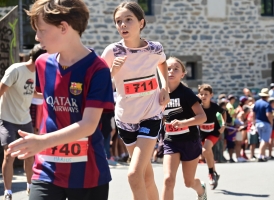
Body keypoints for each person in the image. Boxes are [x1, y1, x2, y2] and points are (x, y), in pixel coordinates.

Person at [7, 1, 114, 200]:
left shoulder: (98, 69)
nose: (37, 37)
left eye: (41, 30)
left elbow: (89, 125)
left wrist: (41, 141)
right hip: (46, 168)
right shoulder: (42, 62)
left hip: (87, 173)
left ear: (63, 27)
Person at [101, 2, 170, 200]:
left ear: (141, 23)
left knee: (133, 174)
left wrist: (164, 87)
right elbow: (98, 84)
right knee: (145, 176)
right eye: (118, 21)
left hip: (151, 116)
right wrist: (112, 71)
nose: (123, 25)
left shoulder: (154, 49)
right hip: (125, 120)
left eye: (128, 20)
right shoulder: (112, 51)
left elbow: (162, 63)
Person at [0, 44, 45, 200]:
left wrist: (49, 96)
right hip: (7, 119)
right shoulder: (16, 70)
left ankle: (30, 186)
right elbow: (0, 90)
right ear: (39, 59)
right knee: (9, 155)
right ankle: (8, 191)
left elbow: (31, 93)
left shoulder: (35, 73)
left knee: (30, 154)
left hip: (25, 120)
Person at [162, 57, 207, 200]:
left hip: (190, 141)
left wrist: (183, 123)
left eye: (176, 69)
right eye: (168, 68)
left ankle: (201, 189)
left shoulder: (186, 93)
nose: (171, 71)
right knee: (168, 180)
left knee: (188, 182)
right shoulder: (159, 93)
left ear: (182, 74)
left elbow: (202, 117)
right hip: (170, 141)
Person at [198, 84, 226, 190]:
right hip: (201, 133)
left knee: (206, 150)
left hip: (214, 131)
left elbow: (223, 113)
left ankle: (210, 174)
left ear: (211, 95)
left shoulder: (215, 107)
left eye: (206, 94)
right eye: (201, 94)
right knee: (207, 152)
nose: (204, 96)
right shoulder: (197, 106)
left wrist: (223, 125)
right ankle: (214, 173)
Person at [253, 88, 273, 162]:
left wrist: (254, 122)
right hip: (265, 123)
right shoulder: (267, 104)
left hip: (258, 122)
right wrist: (271, 122)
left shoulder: (257, 103)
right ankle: (260, 155)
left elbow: (254, 113)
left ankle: (263, 155)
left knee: (261, 139)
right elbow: (268, 114)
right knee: (265, 140)